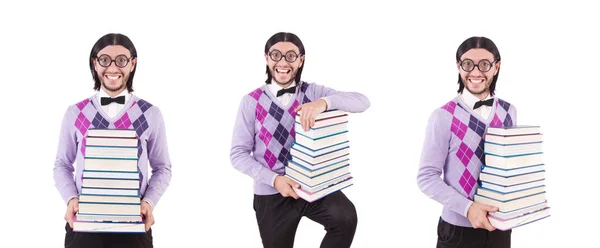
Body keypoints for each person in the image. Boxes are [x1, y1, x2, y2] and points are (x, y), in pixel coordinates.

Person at [229, 32, 370, 248]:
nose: (283, 62)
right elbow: (238, 154)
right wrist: (275, 179)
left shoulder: (312, 92)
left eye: (291, 56)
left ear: (301, 60)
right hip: (271, 192)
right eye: (276, 55)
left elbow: (362, 101)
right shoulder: (250, 102)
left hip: (312, 184)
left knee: (346, 218)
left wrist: (323, 102)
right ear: (266, 58)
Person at [53, 33, 172, 248]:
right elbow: (62, 164)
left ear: (132, 64)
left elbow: (163, 168)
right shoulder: (75, 113)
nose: (113, 68)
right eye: (105, 60)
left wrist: (148, 202)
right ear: (95, 63)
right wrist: (71, 199)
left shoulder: (150, 114)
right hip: (84, 228)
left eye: (121, 60)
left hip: (134, 228)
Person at [417, 36, 517, 248]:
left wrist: (526, 196)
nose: (476, 72)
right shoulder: (443, 116)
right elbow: (426, 177)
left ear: (496, 67)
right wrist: (468, 208)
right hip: (458, 232)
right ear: (458, 66)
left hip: (501, 228)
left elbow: (509, 167)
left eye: (484, 64)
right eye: (468, 64)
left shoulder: (509, 112)